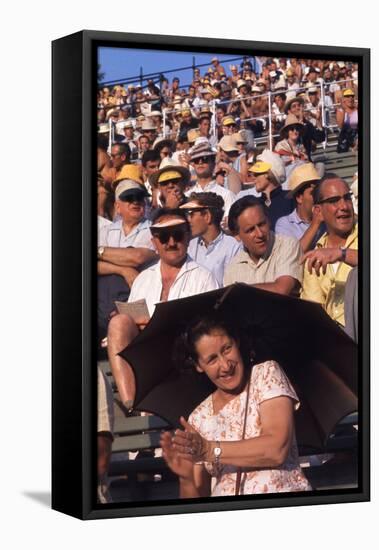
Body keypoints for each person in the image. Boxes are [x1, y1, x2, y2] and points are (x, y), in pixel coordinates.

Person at [160, 314, 312, 497]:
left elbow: (276, 449)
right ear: (199, 365)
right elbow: (197, 505)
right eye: (212, 359)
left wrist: (210, 450)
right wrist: (186, 478)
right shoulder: (199, 417)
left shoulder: (266, 374)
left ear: (237, 341)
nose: (225, 365)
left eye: (227, 349)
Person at [106, 209, 219, 407]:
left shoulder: (204, 277)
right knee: (119, 322)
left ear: (188, 237)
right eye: (164, 236)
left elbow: (208, 330)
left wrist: (158, 326)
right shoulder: (143, 279)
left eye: (177, 235)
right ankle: (131, 402)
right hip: (146, 358)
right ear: (154, 242)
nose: (171, 242)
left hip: (184, 358)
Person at [301, 175, 358, 327]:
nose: (344, 206)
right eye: (334, 201)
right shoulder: (314, 257)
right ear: (318, 212)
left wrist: (342, 254)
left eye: (347, 198)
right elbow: (314, 314)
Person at [224, 196, 302, 297]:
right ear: (237, 236)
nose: (260, 234)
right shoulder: (233, 268)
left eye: (261, 224)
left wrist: (239, 291)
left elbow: (282, 290)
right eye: (250, 230)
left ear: (268, 221)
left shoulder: (288, 245)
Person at [180, 193, 241, 285]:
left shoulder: (233, 248)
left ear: (207, 216)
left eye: (191, 214)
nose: (188, 219)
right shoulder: (189, 246)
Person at [275, 162, 324, 252]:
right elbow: (293, 255)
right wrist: (316, 223)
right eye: (313, 193)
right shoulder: (285, 224)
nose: (318, 197)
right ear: (299, 198)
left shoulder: (327, 219)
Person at [186, 141, 236, 223]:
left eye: (205, 159)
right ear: (193, 165)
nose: (200, 162)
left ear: (213, 163)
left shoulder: (227, 195)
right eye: (196, 160)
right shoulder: (186, 196)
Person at [248, 159, 293, 227]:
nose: (253, 177)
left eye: (256, 174)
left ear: (269, 174)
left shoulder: (290, 198)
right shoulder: (253, 203)